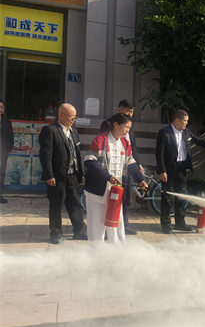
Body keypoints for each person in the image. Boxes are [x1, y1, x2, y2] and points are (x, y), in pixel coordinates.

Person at [156, 109, 205, 234]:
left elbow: (199, 140)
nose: (186, 123)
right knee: (167, 197)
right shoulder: (164, 132)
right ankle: (166, 224)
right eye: (185, 121)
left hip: (182, 168)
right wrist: (162, 171)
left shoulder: (186, 132)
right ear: (177, 120)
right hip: (169, 169)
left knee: (181, 196)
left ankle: (180, 223)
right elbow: (159, 153)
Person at [84, 114, 148, 244]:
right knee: (97, 224)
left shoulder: (125, 143)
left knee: (116, 223)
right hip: (98, 189)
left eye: (129, 128)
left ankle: (117, 249)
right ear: (116, 125)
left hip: (116, 190)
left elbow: (131, 163)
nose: (127, 131)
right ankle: (96, 250)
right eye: (126, 127)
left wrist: (140, 179)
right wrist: (108, 177)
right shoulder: (101, 139)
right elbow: (89, 162)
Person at [39, 103, 87, 244]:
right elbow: (46, 155)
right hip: (57, 176)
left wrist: (81, 173)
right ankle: (56, 234)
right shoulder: (50, 130)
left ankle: (80, 232)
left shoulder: (74, 132)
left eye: (75, 117)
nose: (73, 120)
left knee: (76, 204)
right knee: (56, 205)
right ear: (61, 115)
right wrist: (49, 175)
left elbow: (77, 154)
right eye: (71, 117)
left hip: (73, 175)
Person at [100, 99, 143, 235]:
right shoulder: (108, 124)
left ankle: (123, 225)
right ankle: (106, 228)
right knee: (111, 197)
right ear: (119, 110)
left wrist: (138, 164)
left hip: (127, 166)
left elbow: (133, 146)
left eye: (132, 112)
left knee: (126, 197)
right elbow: (105, 145)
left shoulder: (130, 126)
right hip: (113, 167)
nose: (130, 114)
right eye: (127, 111)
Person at [0, 101, 14, 203]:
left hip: (2, 152)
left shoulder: (7, 122)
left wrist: (7, 149)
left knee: (1, 173)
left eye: (1, 107)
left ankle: (0, 194)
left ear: (4, 109)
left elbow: (10, 137)